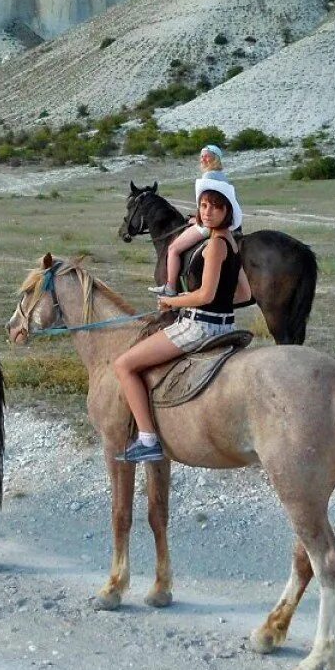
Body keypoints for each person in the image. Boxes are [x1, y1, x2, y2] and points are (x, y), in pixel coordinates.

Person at [113, 179, 244, 462]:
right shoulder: (233, 243)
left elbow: (205, 295)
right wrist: (217, 300)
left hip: (198, 327)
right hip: (227, 326)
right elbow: (243, 292)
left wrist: (172, 301)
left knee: (123, 365)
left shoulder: (215, 244)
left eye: (216, 207)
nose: (208, 212)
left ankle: (148, 439)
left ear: (227, 211)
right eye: (204, 205)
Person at [150, 144, 234, 297]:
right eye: (201, 156)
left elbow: (207, 206)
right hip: (224, 222)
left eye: (207, 155)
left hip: (208, 224)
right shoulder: (223, 176)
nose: (203, 158)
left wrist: (198, 220)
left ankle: (170, 287)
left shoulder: (208, 176)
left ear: (215, 158)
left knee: (173, 249)